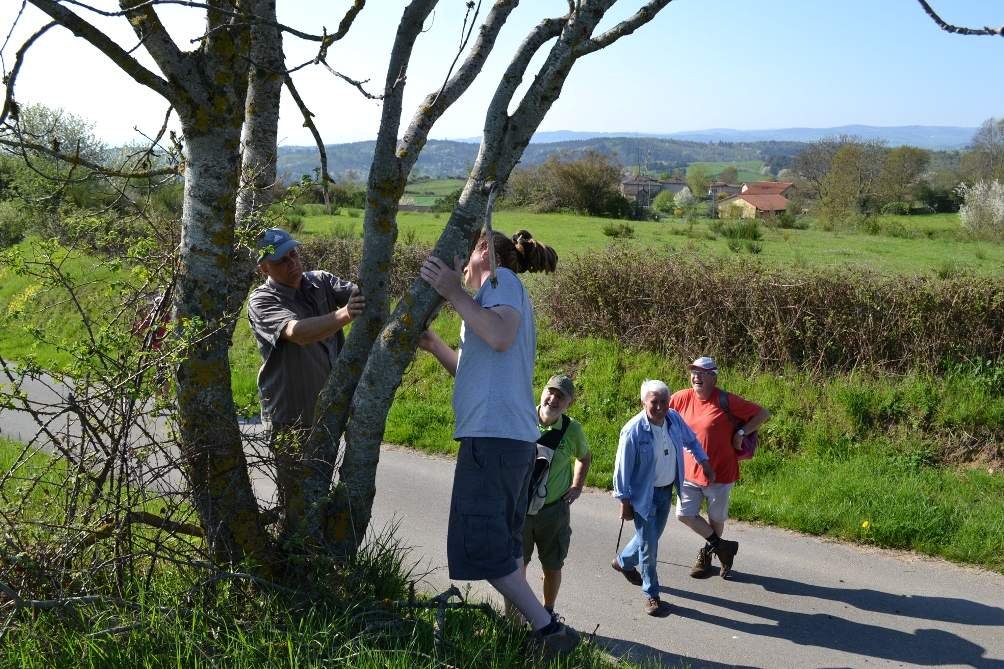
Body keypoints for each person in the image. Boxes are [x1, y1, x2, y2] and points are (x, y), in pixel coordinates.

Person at [417, 229, 580, 659]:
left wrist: (453, 292)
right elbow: (479, 366)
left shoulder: (500, 283)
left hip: (495, 439)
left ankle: (548, 632)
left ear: (484, 251)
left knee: (485, 543)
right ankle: (532, 627)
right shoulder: (491, 297)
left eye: (464, 258)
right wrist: (435, 345)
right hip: (500, 438)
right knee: (500, 543)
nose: (461, 268)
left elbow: (501, 336)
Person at [246, 227, 365, 526]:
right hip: (291, 419)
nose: (292, 263)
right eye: (281, 260)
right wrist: (345, 315)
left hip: (328, 413)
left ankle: (321, 561)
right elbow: (297, 333)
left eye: (294, 254)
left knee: (322, 492)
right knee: (298, 503)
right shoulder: (261, 301)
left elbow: (363, 292)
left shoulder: (320, 281)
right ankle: (296, 563)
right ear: (264, 268)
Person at [612, 380, 714, 616]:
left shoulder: (674, 419)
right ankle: (651, 595)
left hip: (666, 490)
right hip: (643, 495)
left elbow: (690, 440)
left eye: (663, 401)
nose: (659, 407)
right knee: (650, 547)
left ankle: (623, 562)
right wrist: (624, 502)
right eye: (653, 402)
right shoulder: (633, 430)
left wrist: (704, 461)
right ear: (643, 402)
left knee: (652, 537)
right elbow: (622, 469)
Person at [670, 356, 771, 579]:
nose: (696, 377)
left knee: (716, 519)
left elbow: (762, 413)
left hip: (720, 473)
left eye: (702, 373)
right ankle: (722, 548)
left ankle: (708, 554)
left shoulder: (725, 400)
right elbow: (659, 415)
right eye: (694, 372)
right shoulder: (679, 399)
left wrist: (741, 432)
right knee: (684, 514)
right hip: (688, 471)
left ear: (713, 377)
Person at [520, 374, 592, 619]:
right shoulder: (522, 418)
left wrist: (577, 486)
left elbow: (584, 457)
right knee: (517, 567)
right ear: (542, 392)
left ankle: (547, 613)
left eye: (561, 396)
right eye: (550, 391)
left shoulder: (572, 430)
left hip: (553, 512)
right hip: (519, 510)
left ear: (569, 403)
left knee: (552, 566)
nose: (553, 398)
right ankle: (515, 617)